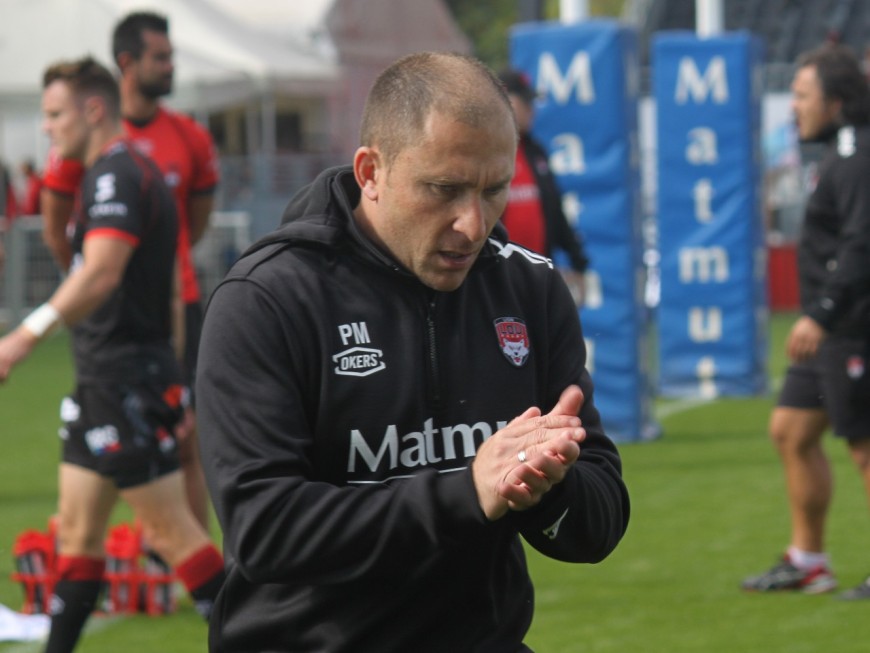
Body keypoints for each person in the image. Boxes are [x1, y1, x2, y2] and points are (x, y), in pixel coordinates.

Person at [196, 51, 630, 652]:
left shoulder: (528, 288)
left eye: (494, 190)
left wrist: (545, 487)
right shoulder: (267, 299)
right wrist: (467, 492)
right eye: (444, 189)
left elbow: (599, 526)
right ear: (371, 172)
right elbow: (265, 530)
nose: (473, 224)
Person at [0, 57, 225, 653]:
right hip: (107, 381)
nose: (47, 127)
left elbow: (101, 273)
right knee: (78, 535)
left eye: (55, 114)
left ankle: (266, 636)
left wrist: (22, 338)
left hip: (126, 382)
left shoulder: (117, 175)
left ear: (93, 110)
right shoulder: (122, 173)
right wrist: (177, 376)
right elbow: (170, 291)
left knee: (172, 533)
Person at [41, 11, 219, 531]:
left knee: (187, 439)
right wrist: (97, 281)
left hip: (176, 306)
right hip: (112, 320)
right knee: (105, 470)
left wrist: (141, 268)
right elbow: (58, 230)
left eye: (170, 56)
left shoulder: (189, 137)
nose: (170, 66)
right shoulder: (77, 142)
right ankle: (167, 553)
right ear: (127, 62)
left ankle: (187, 558)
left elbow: (194, 225)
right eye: (160, 57)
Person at [742, 43, 870, 598]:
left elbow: (862, 244)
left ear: (836, 102)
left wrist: (821, 313)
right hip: (829, 332)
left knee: (865, 447)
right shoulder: (837, 152)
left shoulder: (858, 157)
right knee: (791, 432)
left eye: (801, 95)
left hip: (851, 327)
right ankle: (809, 561)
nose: (793, 106)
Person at [498, 69, 589, 305]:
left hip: (536, 277)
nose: (532, 110)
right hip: (496, 277)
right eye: (526, 103)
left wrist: (578, 263)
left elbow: (555, 211)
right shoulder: (486, 154)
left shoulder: (535, 151)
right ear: (505, 102)